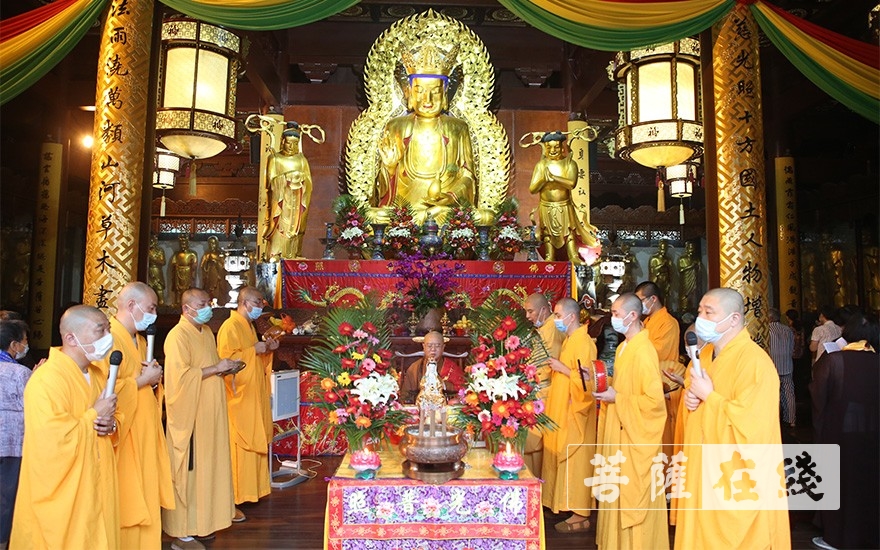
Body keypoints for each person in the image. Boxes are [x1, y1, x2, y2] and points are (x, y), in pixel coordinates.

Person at [675, 288, 790, 549]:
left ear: (734, 319)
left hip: (733, 477)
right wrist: (691, 399)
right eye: (700, 311)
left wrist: (710, 397)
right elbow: (695, 398)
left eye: (709, 312)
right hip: (702, 469)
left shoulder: (755, 362)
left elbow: (754, 427)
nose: (701, 317)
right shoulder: (703, 357)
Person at [10, 305, 120, 549]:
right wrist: (94, 414)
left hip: (98, 484)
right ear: (71, 338)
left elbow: (110, 423)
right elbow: (51, 441)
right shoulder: (46, 380)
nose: (108, 338)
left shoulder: (100, 375)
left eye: (108, 330)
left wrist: (110, 424)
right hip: (66, 493)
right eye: (100, 331)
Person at [163, 288, 239, 549]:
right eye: (203, 303)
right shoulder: (177, 336)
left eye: (209, 302)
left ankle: (203, 523)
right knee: (191, 470)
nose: (209, 307)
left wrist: (225, 367)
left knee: (210, 467)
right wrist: (217, 368)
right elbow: (178, 379)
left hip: (211, 414)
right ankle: (182, 533)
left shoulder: (206, 332)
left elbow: (208, 365)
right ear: (187, 309)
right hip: (191, 415)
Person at [99, 282, 173, 549]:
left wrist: (154, 381)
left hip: (145, 430)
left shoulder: (142, 340)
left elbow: (146, 381)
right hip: (124, 435)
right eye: (151, 308)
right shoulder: (108, 339)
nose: (154, 313)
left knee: (147, 493)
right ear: (131, 305)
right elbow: (104, 389)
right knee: (127, 499)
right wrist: (142, 381)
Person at [594, 293, 668, 550]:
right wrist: (602, 384)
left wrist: (619, 398)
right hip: (620, 432)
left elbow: (654, 404)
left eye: (615, 313)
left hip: (635, 438)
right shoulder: (626, 346)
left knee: (633, 496)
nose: (612, 318)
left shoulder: (644, 350)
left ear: (633, 315)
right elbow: (624, 387)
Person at [376, 43, 475, 225]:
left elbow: (467, 176)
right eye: (420, 91)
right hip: (404, 211)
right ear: (410, 94)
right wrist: (389, 168)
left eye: (435, 92)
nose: (427, 100)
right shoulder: (396, 126)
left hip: (443, 209)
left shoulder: (458, 127)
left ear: (445, 94)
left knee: (483, 217)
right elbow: (383, 189)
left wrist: (451, 197)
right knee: (377, 217)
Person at [809, 312, 879, 550]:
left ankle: (837, 538)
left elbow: (818, 394)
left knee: (840, 484)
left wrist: (820, 427)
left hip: (840, 434)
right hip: (873, 434)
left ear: (846, 333)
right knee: (870, 482)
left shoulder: (835, 360)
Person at [217, 287, 279, 509]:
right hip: (239, 397)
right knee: (242, 443)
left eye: (262, 302)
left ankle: (253, 491)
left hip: (252, 394)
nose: (261, 306)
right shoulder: (230, 327)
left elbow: (254, 359)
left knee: (255, 439)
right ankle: (237, 495)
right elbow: (227, 362)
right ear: (244, 302)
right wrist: (253, 350)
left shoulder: (248, 326)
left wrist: (266, 350)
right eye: (258, 302)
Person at [542, 297, 597, 532]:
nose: (555, 319)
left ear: (571, 316)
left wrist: (563, 369)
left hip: (576, 412)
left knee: (575, 462)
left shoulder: (584, 342)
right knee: (560, 457)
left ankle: (580, 512)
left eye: (557, 315)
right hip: (561, 409)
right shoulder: (570, 340)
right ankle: (562, 504)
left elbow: (588, 381)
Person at [634, 281, 683, 460]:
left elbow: (655, 352)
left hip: (663, 384)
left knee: (662, 440)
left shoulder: (668, 323)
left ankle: (665, 484)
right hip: (645, 382)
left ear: (653, 299)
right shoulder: (646, 322)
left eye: (640, 301)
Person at [529, 132, 594, 264]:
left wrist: (554, 178)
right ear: (545, 148)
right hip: (546, 205)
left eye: (556, 147)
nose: (552, 151)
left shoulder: (569, 163)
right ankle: (549, 255)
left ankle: (572, 255)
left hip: (564, 204)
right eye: (549, 148)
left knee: (569, 231)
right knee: (547, 232)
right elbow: (532, 189)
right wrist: (543, 180)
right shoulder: (541, 165)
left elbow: (571, 183)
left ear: (562, 147)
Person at [522, 293, 565, 476]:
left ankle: (536, 481)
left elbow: (549, 364)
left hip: (544, 390)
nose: (528, 316)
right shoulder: (543, 329)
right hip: (536, 389)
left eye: (530, 311)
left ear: (543, 310)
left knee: (535, 441)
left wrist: (530, 379)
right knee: (532, 441)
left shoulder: (552, 328)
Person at [0, 320, 32, 549]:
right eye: (24, 341)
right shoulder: (20, 373)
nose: (26, 345)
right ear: (13, 345)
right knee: (7, 499)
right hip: (13, 446)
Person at [265, 123, 313, 259]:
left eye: (295, 143)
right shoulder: (275, 159)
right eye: (288, 143)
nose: (291, 147)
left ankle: (294, 253)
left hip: (298, 202)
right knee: (281, 227)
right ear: (282, 142)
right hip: (282, 203)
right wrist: (286, 178)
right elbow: (271, 182)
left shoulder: (302, 160)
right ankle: (276, 253)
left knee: (297, 228)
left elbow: (309, 184)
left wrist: (302, 180)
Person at [399, 331, 465, 404]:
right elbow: (405, 395)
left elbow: (461, 392)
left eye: (437, 346)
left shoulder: (452, 368)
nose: (433, 349)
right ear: (423, 347)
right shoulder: (415, 368)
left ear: (443, 347)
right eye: (429, 346)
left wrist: (443, 385)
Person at [768, 308, 796, 428]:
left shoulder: (767, 329)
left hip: (772, 365)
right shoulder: (788, 329)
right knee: (789, 393)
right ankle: (791, 419)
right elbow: (792, 347)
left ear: (769, 318)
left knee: (773, 393)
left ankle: (774, 420)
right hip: (787, 364)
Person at [171, 234, 198, 306]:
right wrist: (176, 266)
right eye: (181, 243)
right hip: (178, 272)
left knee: (187, 289)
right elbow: (173, 263)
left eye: (184, 243)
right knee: (178, 289)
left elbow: (195, 264)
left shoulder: (192, 254)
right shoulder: (177, 254)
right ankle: (178, 302)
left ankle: (188, 302)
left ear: (188, 243)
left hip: (187, 272)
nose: (183, 245)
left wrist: (190, 266)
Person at [201, 236, 226, 304]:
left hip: (218, 273)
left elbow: (224, 264)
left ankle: (219, 301)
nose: (212, 245)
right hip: (210, 274)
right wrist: (207, 262)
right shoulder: (207, 254)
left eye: (213, 243)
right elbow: (202, 266)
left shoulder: (220, 253)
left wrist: (216, 262)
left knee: (218, 287)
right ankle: (209, 301)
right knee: (209, 288)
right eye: (210, 243)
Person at [677, 241, 701, 312]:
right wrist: (691, 266)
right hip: (685, 279)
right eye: (690, 248)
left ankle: (693, 307)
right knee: (685, 293)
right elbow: (680, 270)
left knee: (693, 292)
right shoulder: (682, 259)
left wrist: (697, 266)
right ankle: (683, 307)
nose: (691, 250)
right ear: (686, 249)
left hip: (694, 278)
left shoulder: (696, 259)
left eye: (692, 248)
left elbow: (699, 271)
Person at [648, 241, 672, 307]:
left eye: (665, 249)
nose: (663, 251)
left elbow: (670, 271)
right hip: (657, 279)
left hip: (665, 279)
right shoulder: (654, 259)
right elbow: (652, 271)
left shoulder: (668, 259)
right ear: (659, 248)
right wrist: (661, 266)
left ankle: (665, 308)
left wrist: (669, 282)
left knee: (665, 295)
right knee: (656, 294)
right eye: (662, 249)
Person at [148, 234, 167, 306]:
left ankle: (161, 302)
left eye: (154, 240)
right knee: (150, 286)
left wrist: (154, 259)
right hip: (149, 270)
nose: (152, 241)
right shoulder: (148, 250)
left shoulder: (159, 251)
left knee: (159, 286)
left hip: (157, 270)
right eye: (151, 240)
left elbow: (163, 262)